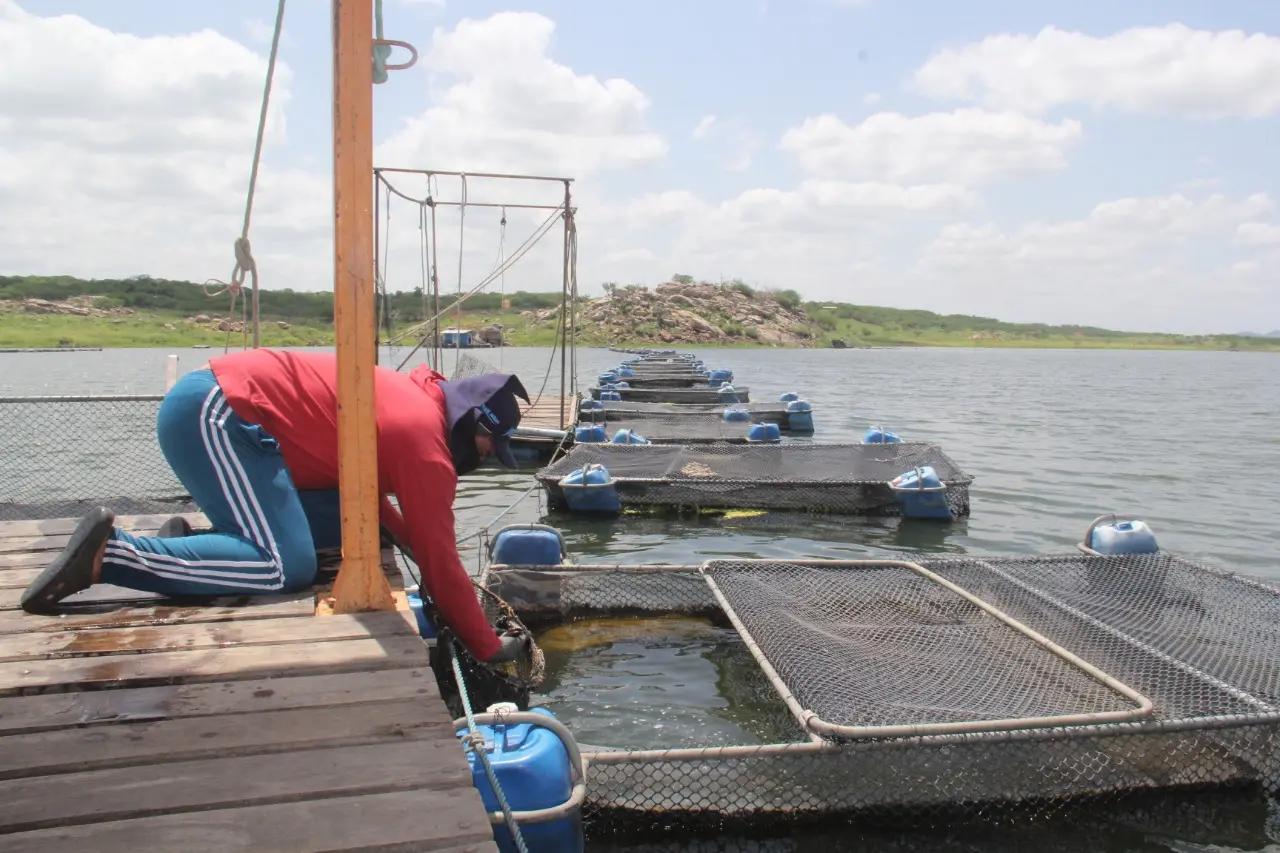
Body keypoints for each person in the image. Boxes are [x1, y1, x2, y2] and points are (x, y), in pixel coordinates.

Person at [20, 348, 531, 664]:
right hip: (218, 413)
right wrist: (486, 646)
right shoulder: (424, 443)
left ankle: (190, 549)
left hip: (225, 411)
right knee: (284, 565)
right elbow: (441, 560)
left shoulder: (415, 400)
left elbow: (373, 505)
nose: (483, 461)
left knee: (346, 523)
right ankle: (110, 557)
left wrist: (418, 551)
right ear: (473, 428)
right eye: (488, 450)